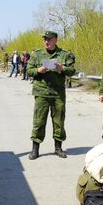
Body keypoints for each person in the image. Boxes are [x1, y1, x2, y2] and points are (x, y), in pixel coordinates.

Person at [27, 31, 76, 159]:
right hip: (41, 92)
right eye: (45, 39)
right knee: (39, 121)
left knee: (59, 121)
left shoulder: (64, 55)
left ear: (55, 40)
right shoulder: (37, 54)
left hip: (58, 93)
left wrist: (62, 69)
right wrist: (38, 70)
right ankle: (35, 149)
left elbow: (72, 70)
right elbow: (29, 70)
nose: (46, 42)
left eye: (49, 39)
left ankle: (58, 148)